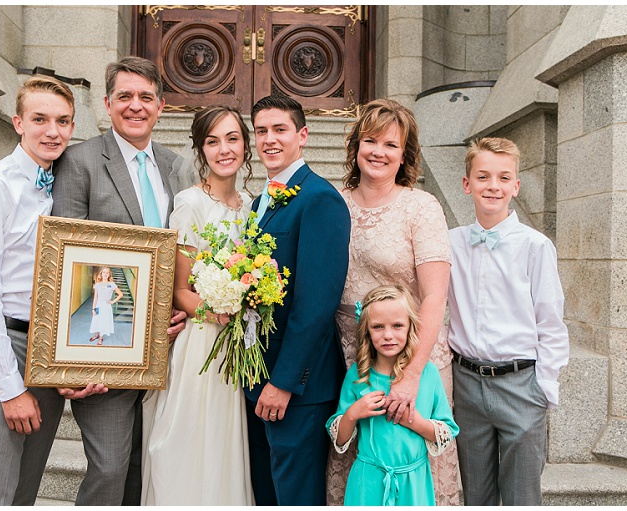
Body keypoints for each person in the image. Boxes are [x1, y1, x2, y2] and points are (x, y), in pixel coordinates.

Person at [52, 56, 188, 505]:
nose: (135, 106)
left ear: (161, 106)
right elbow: (65, 259)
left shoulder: (177, 166)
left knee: (146, 465)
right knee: (109, 467)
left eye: (145, 97)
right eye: (125, 97)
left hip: (170, 345)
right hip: (105, 343)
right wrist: (69, 357)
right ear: (107, 104)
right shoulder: (80, 161)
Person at [325, 99, 458, 505]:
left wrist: (415, 373)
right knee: (359, 460)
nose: (378, 152)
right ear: (355, 146)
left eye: (390, 144)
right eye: (370, 141)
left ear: (405, 154)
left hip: (411, 351)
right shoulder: (334, 202)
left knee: (410, 455)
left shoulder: (421, 207)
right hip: (352, 352)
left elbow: (435, 294)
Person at [0, 75, 75, 505]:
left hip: (48, 345)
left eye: (63, 121)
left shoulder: (62, 182)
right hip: (6, 342)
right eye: (40, 119)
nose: (52, 131)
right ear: (17, 123)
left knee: (25, 485)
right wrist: (9, 387)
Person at [139, 106, 256, 505]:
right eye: (213, 141)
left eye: (232, 138)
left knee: (227, 444)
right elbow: (178, 289)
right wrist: (217, 311)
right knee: (190, 441)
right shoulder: (189, 203)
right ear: (200, 150)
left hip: (240, 343)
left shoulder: (252, 204)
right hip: (203, 343)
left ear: (245, 144)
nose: (224, 149)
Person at [448, 137, 569, 504]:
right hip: (466, 383)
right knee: (475, 494)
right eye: (483, 177)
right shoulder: (450, 243)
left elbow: (550, 321)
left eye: (503, 178)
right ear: (467, 184)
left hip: (520, 384)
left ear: (516, 187)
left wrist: (543, 387)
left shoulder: (535, 246)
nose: (493, 186)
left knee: (521, 496)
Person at [245, 95, 350, 505]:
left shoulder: (319, 199)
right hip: (258, 377)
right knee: (267, 492)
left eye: (279, 129)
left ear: (302, 135)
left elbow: (316, 305)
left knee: (295, 497)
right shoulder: (260, 202)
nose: (269, 139)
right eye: (261, 131)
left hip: (297, 387)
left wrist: (284, 382)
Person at [326, 285, 459, 505]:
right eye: (378, 327)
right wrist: (353, 414)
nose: (388, 335)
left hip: (413, 484)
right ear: (367, 330)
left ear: (410, 327)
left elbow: (446, 432)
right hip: (368, 482)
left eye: (397, 326)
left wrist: (415, 422)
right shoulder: (358, 376)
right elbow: (339, 439)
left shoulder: (428, 374)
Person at [89, 267, 122, 345]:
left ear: (109, 274)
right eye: (104, 272)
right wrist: (93, 308)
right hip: (98, 306)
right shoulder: (97, 284)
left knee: (104, 321)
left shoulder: (112, 284)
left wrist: (113, 301)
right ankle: (96, 335)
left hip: (106, 306)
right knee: (96, 319)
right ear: (101, 273)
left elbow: (120, 294)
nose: (105, 274)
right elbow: (95, 297)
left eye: (107, 272)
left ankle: (101, 338)